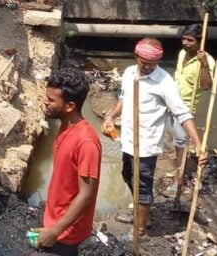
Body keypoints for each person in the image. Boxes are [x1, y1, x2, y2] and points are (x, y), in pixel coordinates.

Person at [101, 38, 208, 240]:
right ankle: (142, 213)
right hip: (127, 139)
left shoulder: (164, 82)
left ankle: (141, 230)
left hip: (147, 144)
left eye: (153, 63)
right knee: (127, 174)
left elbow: (183, 114)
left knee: (143, 184)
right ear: (137, 57)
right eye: (144, 62)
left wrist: (198, 143)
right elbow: (123, 100)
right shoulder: (129, 72)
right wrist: (110, 117)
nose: (148, 66)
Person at [33, 68, 101, 256]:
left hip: (67, 231)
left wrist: (55, 231)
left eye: (51, 100)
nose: (45, 102)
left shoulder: (86, 142)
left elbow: (86, 194)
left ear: (70, 106)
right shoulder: (65, 126)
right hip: (56, 219)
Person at [166, 24, 215, 193]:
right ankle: (179, 169)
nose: (185, 43)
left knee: (181, 142)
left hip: (186, 108)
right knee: (176, 141)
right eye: (184, 38)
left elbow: (207, 86)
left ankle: (179, 178)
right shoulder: (182, 54)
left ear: (200, 42)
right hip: (170, 101)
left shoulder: (207, 61)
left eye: (190, 40)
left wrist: (204, 66)